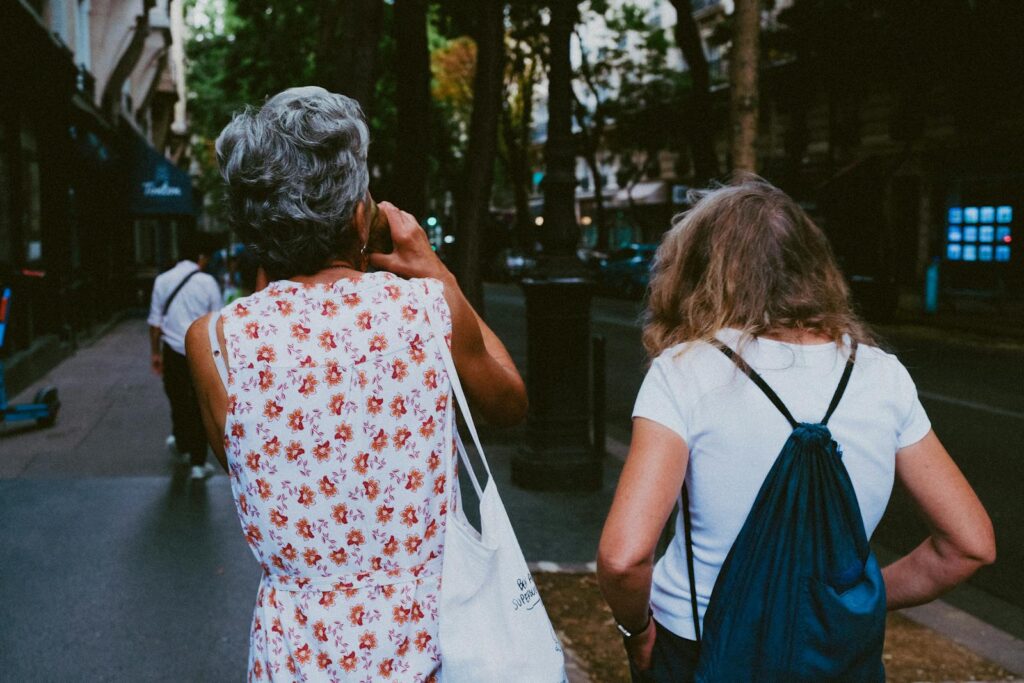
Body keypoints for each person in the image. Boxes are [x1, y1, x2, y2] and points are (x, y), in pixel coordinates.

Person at [185, 87, 527, 681]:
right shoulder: (425, 308)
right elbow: (509, 402)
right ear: (358, 215)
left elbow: (241, 462)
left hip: (295, 656)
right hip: (425, 646)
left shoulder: (213, 341)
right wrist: (440, 273)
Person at [596, 179, 996, 681]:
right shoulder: (880, 374)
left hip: (702, 644)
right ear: (813, 266)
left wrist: (638, 635)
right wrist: (841, 604)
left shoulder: (685, 371)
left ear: (699, 270)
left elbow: (624, 558)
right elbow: (969, 544)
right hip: (836, 653)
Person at [148, 232, 222, 480]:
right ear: (201, 257)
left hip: (171, 349)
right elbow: (216, 322)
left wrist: (155, 353)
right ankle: (198, 463)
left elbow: (155, 322)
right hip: (200, 350)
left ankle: (182, 443)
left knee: (177, 399)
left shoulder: (162, 280)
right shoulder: (208, 283)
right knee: (200, 403)